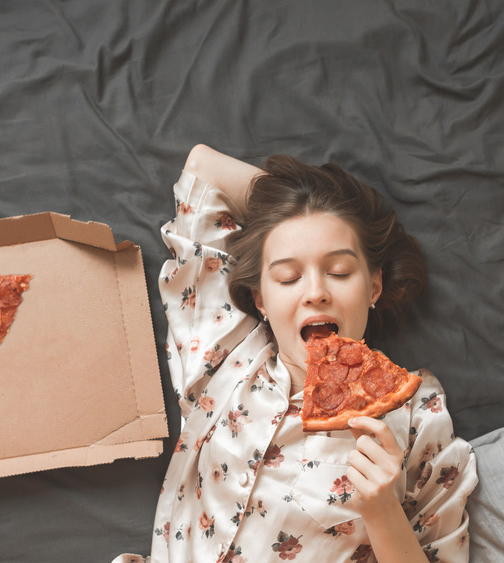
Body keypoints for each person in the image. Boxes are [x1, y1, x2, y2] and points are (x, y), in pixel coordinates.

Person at [114, 145, 476, 562]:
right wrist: (295, 209)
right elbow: (202, 169)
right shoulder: (226, 352)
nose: (316, 291)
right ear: (261, 300)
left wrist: (382, 511)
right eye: (288, 277)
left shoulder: (417, 412)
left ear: (373, 287)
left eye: (339, 272)